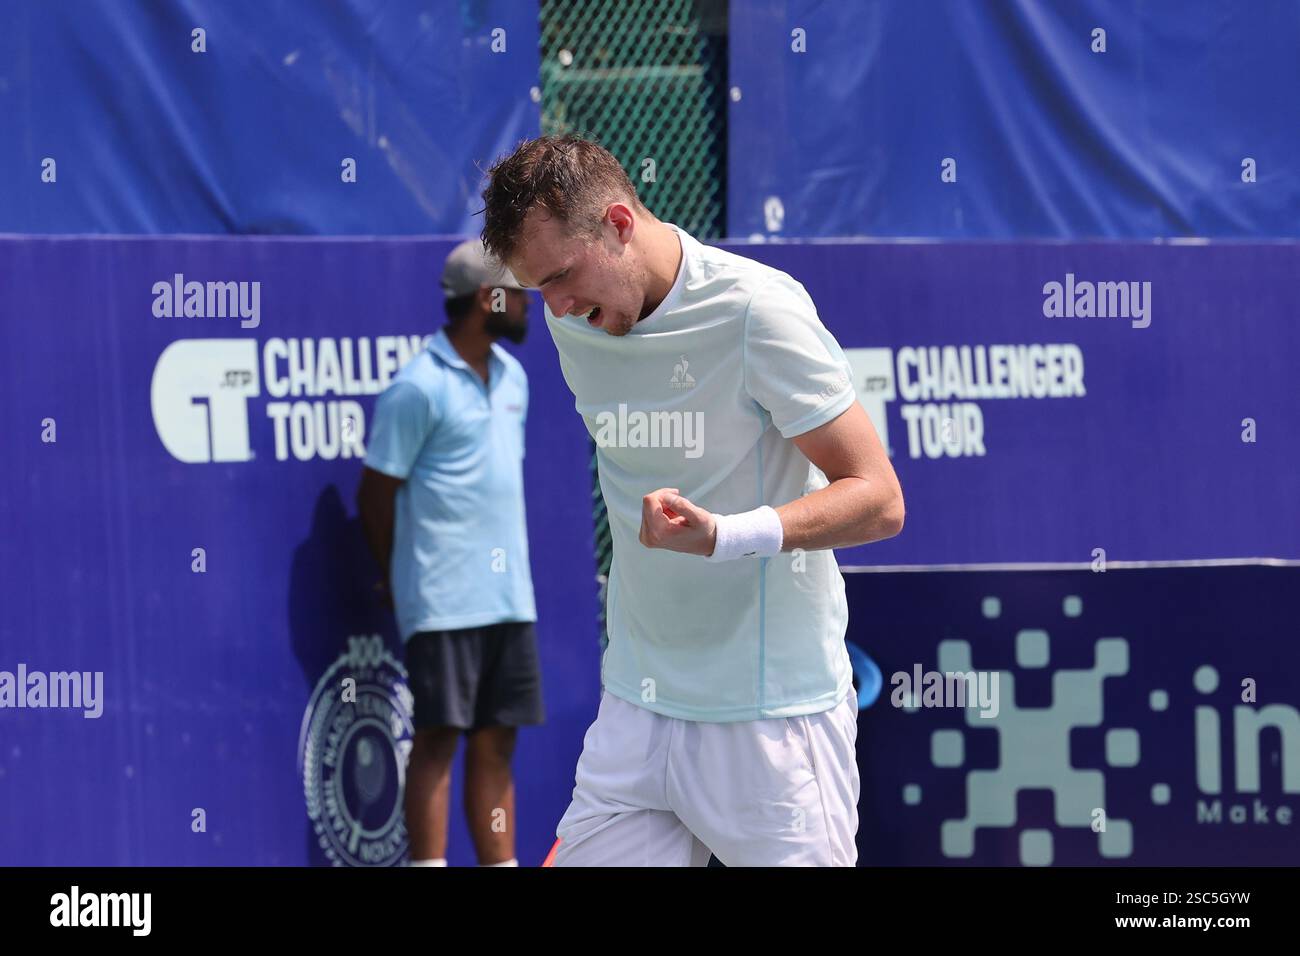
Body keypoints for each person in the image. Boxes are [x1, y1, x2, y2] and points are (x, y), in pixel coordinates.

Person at [479, 134, 905, 866]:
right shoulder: (570, 318)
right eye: (535, 288)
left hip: (772, 723)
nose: (554, 306)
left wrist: (725, 535)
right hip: (638, 710)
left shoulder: (759, 310)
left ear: (617, 223)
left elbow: (879, 500)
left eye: (561, 276)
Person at [356, 239, 543, 867]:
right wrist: (396, 578)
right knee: (437, 740)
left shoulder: (514, 378)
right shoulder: (416, 388)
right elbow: (376, 495)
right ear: (487, 298)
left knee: (497, 745)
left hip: (508, 599)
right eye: (517, 293)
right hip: (441, 600)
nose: (527, 306)